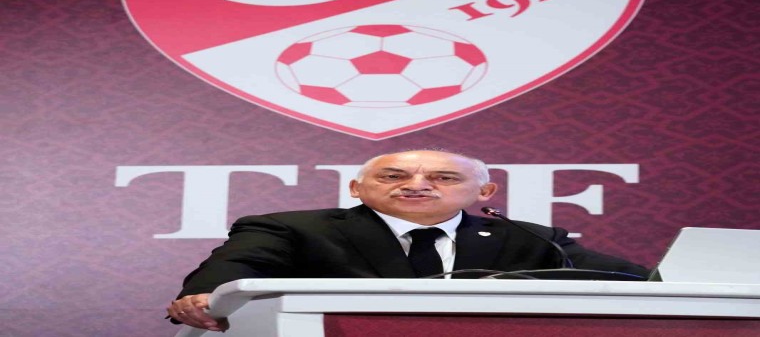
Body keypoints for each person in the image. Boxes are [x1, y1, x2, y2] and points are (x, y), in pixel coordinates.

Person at [167, 150, 649, 331]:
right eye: (394, 175)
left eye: (443, 177)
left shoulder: (532, 238)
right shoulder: (292, 227)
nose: (417, 184)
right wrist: (205, 297)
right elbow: (235, 267)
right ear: (356, 189)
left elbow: (637, 281)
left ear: (484, 193)